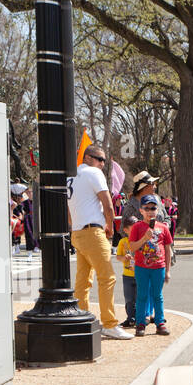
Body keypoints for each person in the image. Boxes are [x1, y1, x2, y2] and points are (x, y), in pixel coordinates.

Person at [67, 141, 131, 339]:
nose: (103, 163)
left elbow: (68, 208)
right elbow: (107, 203)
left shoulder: (71, 177)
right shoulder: (94, 174)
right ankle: (109, 323)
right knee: (107, 277)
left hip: (77, 231)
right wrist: (110, 226)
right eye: (99, 159)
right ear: (88, 158)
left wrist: (73, 227)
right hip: (92, 230)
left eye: (103, 160)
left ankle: (82, 319)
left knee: (83, 280)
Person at [128, 195, 173, 335]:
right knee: (142, 295)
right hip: (142, 267)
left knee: (157, 295)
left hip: (158, 267)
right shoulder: (137, 227)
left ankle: (160, 322)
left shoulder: (163, 227)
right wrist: (144, 238)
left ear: (157, 210)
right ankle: (140, 323)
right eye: (146, 208)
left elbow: (167, 249)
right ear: (141, 210)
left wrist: (167, 271)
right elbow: (132, 247)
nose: (150, 211)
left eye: (153, 208)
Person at [114, 216, 139, 328]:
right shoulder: (123, 242)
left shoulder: (141, 241)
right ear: (125, 230)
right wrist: (124, 258)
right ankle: (130, 318)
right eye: (133, 228)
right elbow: (118, 257)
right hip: (127, 275)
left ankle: (140, 318)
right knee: (129, 298)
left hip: (140, 274)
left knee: (140, 297)